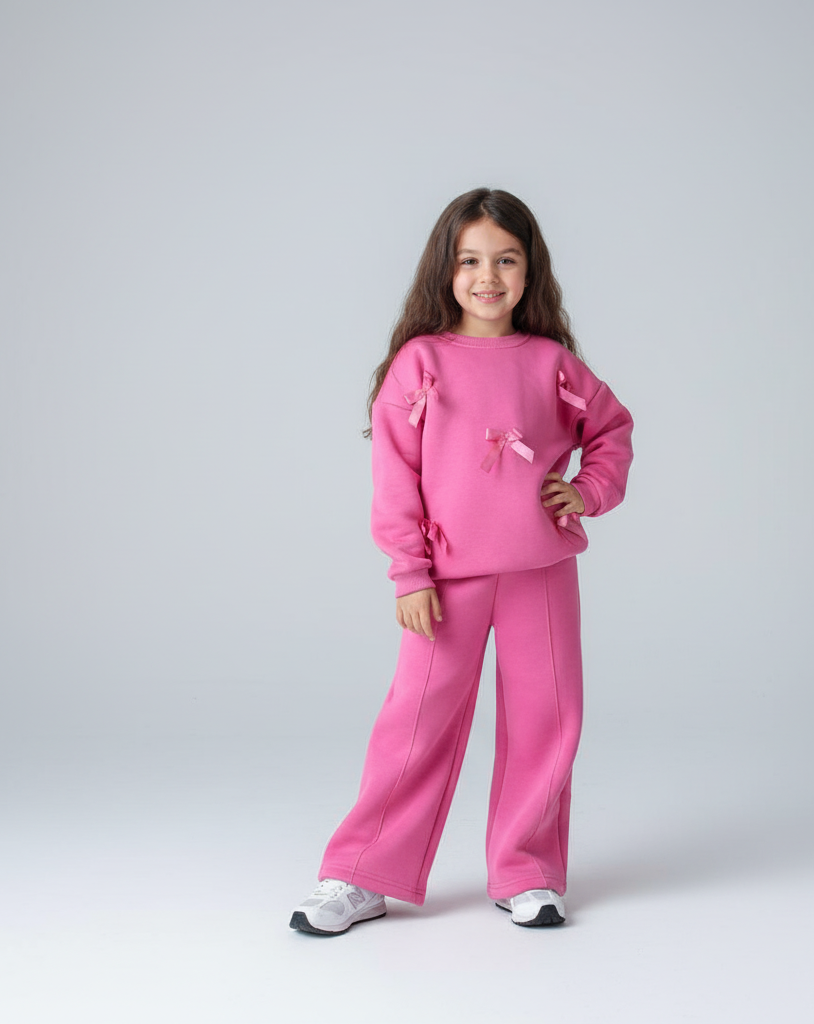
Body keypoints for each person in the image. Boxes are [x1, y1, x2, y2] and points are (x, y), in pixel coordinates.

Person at [289, 188, 633, 935]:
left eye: (506, 260)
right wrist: (409, 574)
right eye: (470, 260)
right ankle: (362, 872)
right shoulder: (419, 364)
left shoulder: (552, 363)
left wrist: (586, 491)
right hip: (444, 581)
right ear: (444, 270)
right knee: (415, 721)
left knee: (548, 720)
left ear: (530, 270)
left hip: (541, 574)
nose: (487, 277)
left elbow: (611, 429)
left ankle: (528, 870)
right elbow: (396, 478)